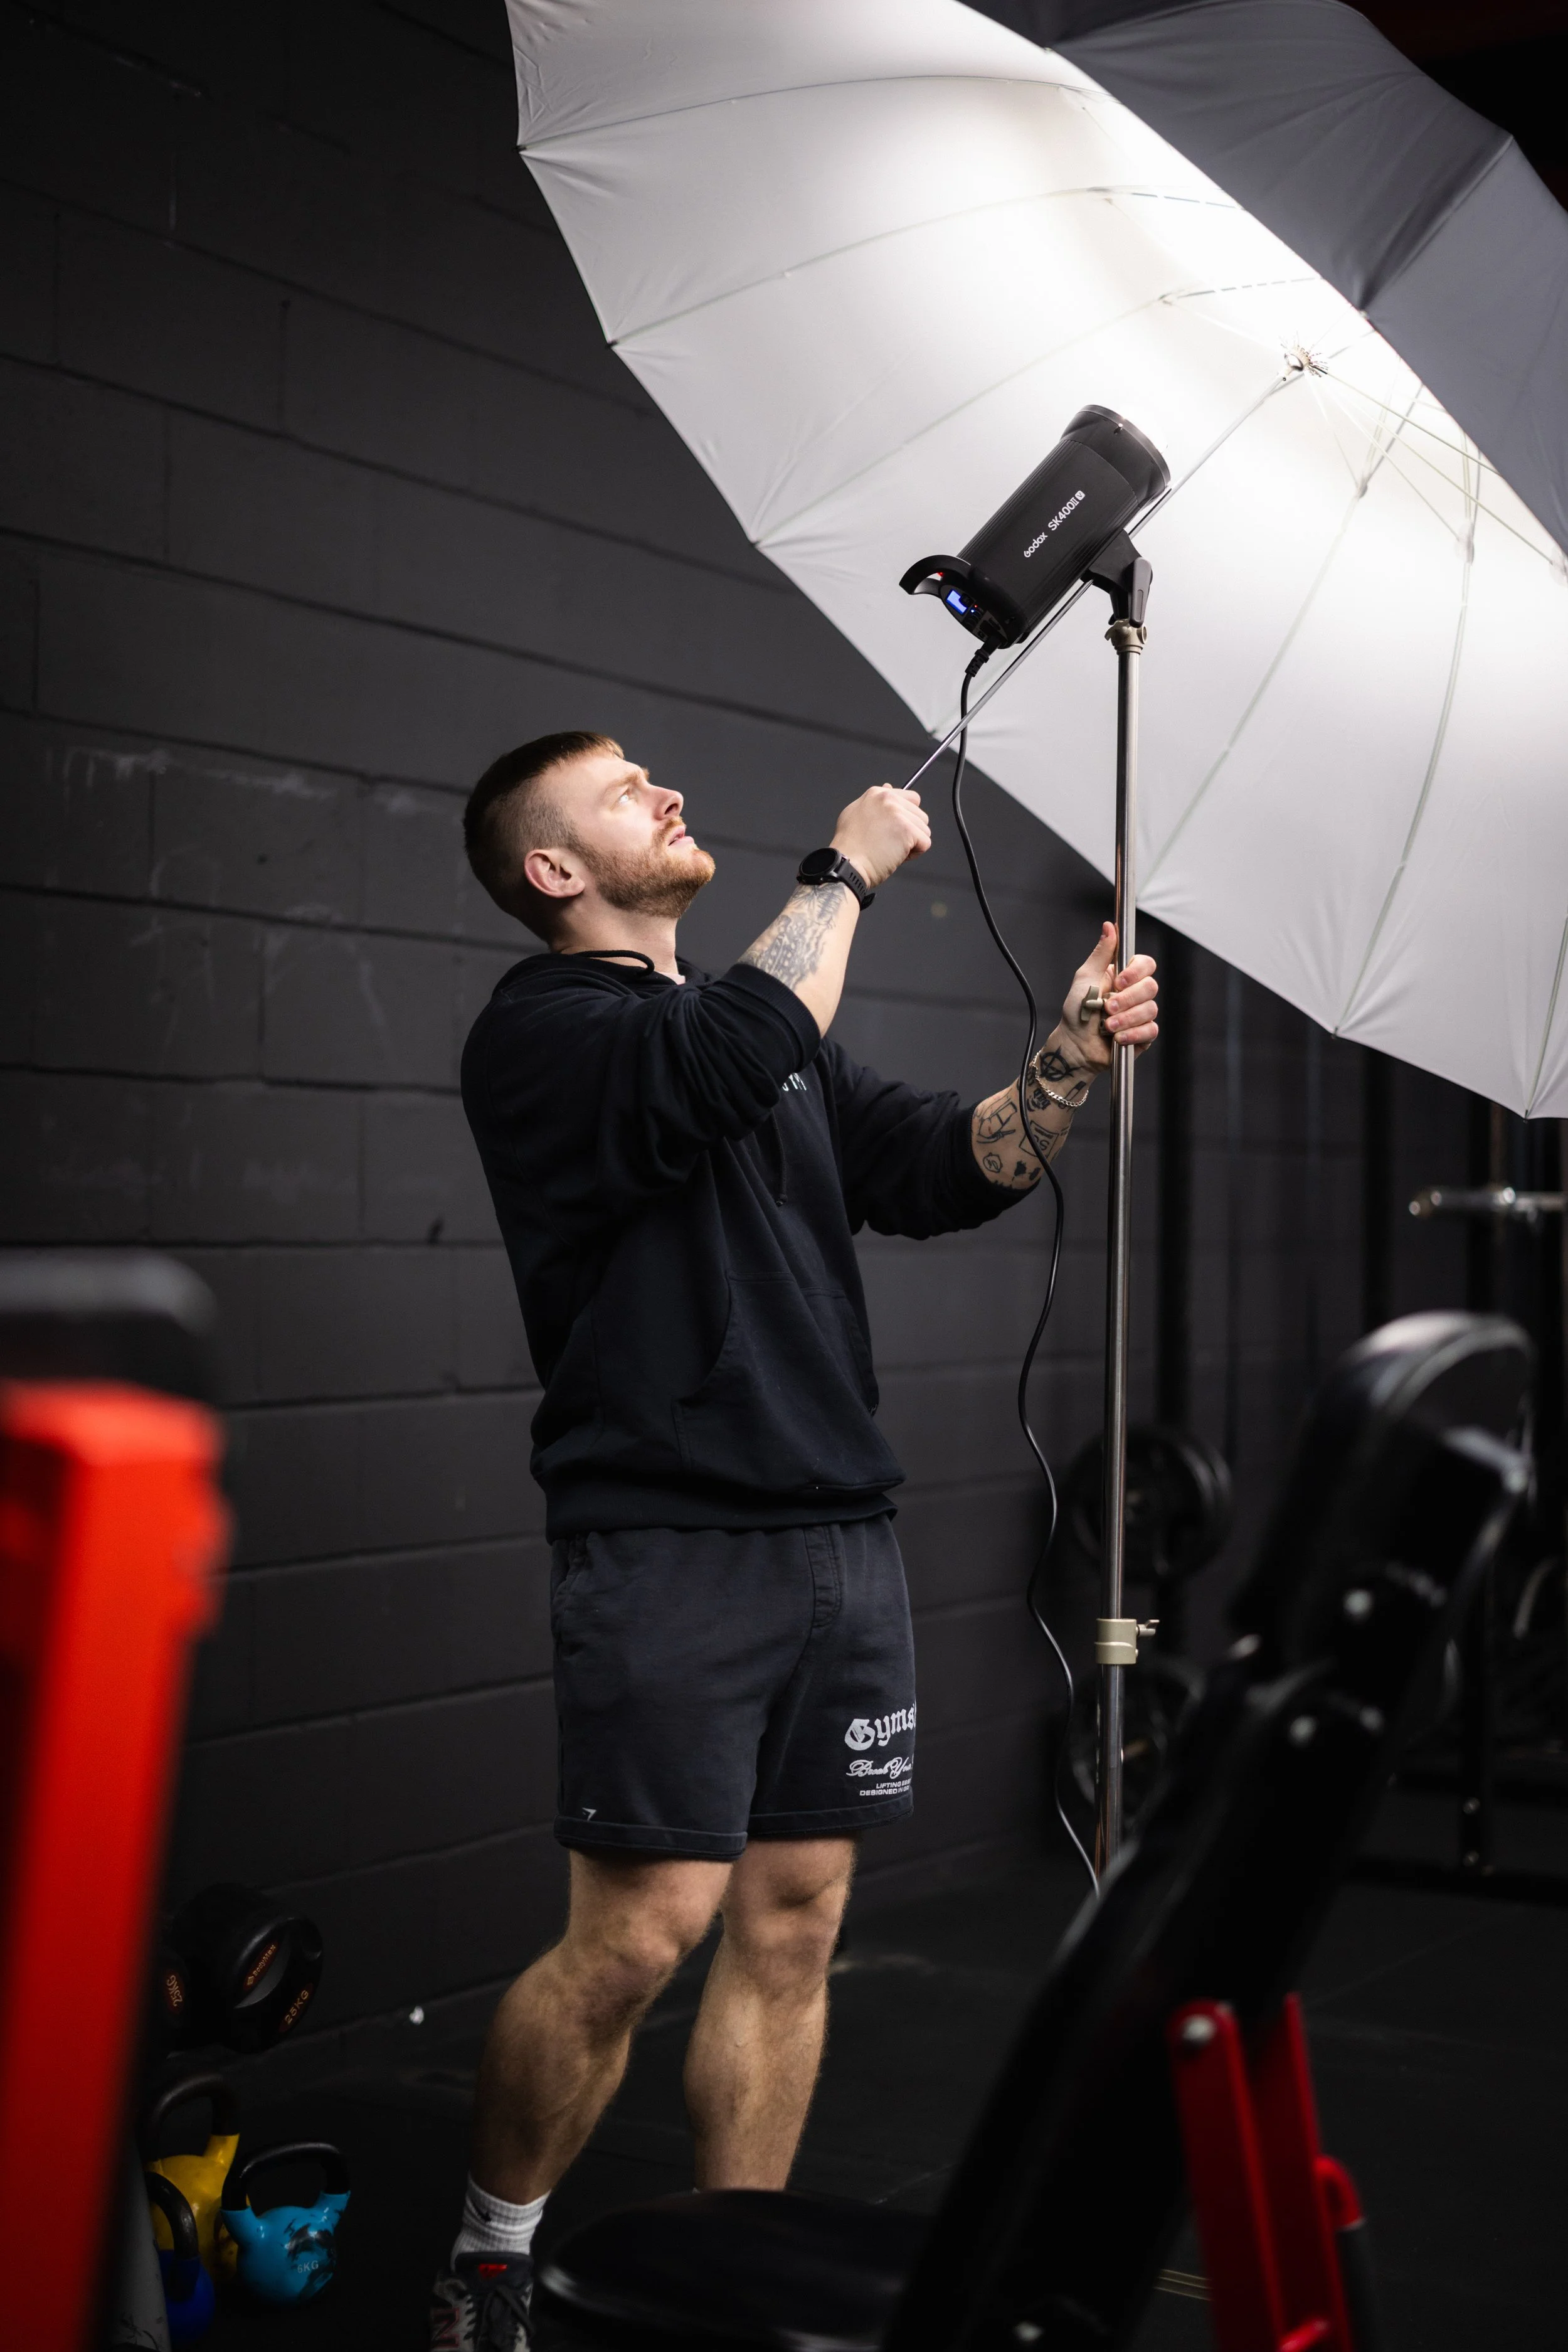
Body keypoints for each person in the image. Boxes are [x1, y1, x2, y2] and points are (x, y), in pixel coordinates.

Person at [432, 729, 1158, 2349]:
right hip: (670, 1536)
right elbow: (726, 1052)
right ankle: (487, 2259)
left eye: (651, 772)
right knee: (635, 1935)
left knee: (794, 1917)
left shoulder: (762, 1034)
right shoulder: (543, 1030)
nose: (666, 793)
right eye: (623, 792)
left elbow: (942, 1167)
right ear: (552, 871)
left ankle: (729, 2265)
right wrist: (839, 870)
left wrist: (1067, 1048)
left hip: (839, 1531)